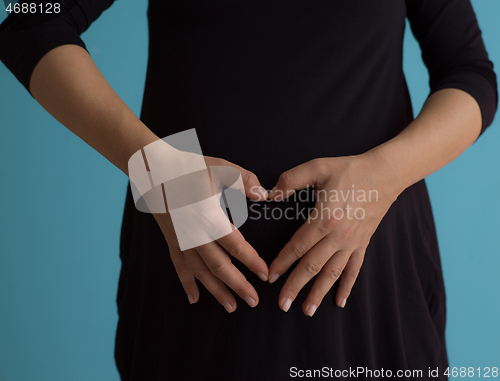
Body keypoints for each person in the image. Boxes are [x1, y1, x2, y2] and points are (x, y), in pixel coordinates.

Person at [0, 0, 497, 380]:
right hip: (193, 287)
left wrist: (383, 175)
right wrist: (157, 170)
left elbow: (470, 74)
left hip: (369, 290)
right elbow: (30, 18)